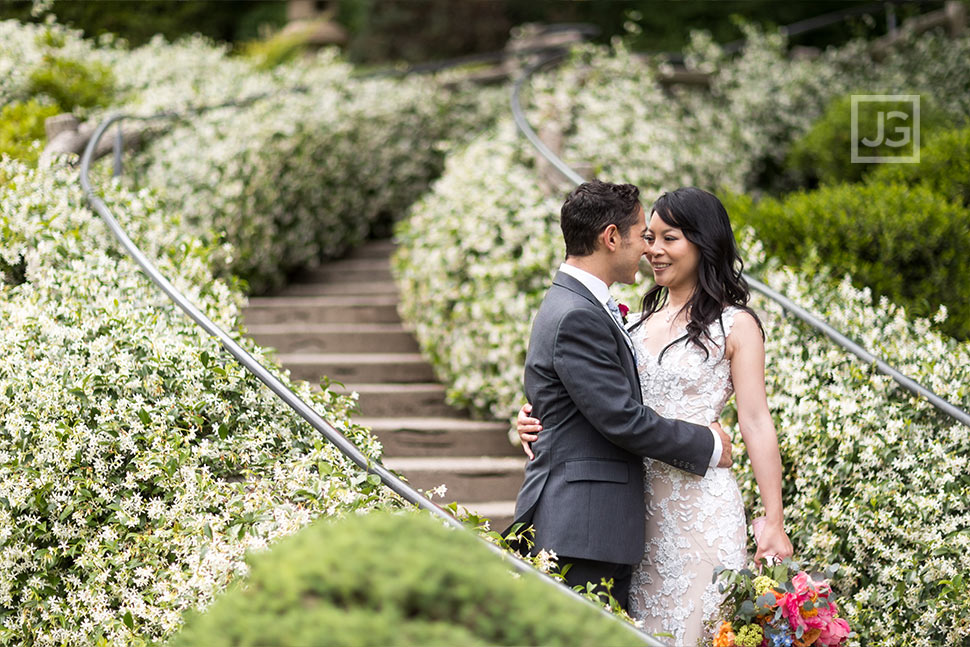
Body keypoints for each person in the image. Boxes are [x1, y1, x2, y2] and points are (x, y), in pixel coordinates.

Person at [516, 186, 794, 645]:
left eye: (669, 238)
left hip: (701, 503)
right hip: (634, 511)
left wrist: (774, 519)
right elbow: (604, 401)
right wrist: (535, 415)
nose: (653, 250)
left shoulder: (737, 324)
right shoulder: (632, 322)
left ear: (704, 243)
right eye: (648, 237)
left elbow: (757, 420)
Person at [506, 180, 734, 613]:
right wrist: (708, 443)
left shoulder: (580, 305)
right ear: (611, 238)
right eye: (643, 237)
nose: (648, 250)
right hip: (585, 528)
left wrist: (546, 419)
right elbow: (621, 418)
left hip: (596, 524)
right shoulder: (577, 314)